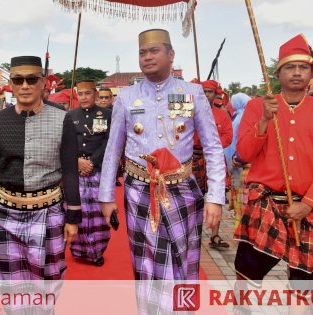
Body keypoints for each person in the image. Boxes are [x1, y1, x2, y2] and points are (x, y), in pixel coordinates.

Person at [99, 29, 224, 281]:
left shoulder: (192, 93)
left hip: (183, 190)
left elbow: (212, 147)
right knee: (146, 265)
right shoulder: (126, 96)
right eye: (142, 52)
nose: (147, 57)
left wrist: (216, 197)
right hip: (139, 191)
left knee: (184, 260)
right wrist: (106, 196)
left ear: (171, 54)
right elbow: (113, 149)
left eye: (154, 51)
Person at [234, 34, 313, 296]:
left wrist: (308, 204)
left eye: (303, 67)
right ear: (278, 72)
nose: (297, 73)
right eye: (290, 67)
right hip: (266, 202)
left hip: (307, 206)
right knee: (247, 270)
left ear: (311, 71)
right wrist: (264, 120)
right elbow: (244, 153)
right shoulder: (256, 106)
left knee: (301, 281)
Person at [0, 56, 81, 280]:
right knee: (10, 285)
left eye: (32, 79)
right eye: (18, 80)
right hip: (6, 212)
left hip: (49, 211)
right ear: (12, 85)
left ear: (43, 82)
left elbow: (70, 171)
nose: (25, 86)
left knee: (48, 282)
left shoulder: (62, 119)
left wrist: (73, 216)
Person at [66, 80, 112, 266]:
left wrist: (92, 162)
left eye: (87, 93)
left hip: (96, 170)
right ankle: (78, 250)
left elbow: (108, 142)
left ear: (94, 94)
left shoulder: (107, 115)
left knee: (97, 215)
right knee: (78, 212)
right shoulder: (70, 115)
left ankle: (96, 251)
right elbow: (66, 142)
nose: (83, 97)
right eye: (80, 94)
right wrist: (77, 161)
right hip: (76, 170)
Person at [194, 79, 233, 249]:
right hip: (194, 159)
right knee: (193, 196)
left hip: (214, 159)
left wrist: (211, 145)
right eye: (204, 91)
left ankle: (215, 235)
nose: (206, 95)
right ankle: (192, 233)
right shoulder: (190, 112)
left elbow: (228, 136)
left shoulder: (222, 115)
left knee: (216, 196)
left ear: (215, 94)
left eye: (209, 92)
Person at [223, 93, 252, 227]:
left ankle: (240, 227)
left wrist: (232, 161)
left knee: (242, 198)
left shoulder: (240, 118)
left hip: (240, 162)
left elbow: (233, 143)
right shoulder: (246, 116)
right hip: (243, 162)